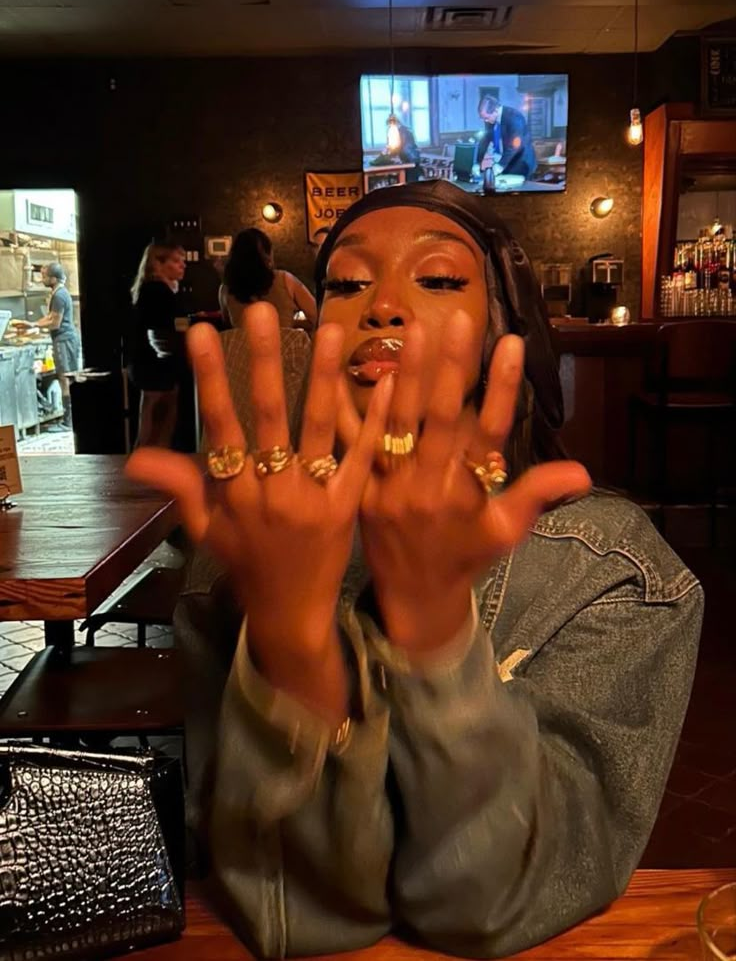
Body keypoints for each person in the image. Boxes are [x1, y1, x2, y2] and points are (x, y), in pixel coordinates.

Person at [127, 180, 702, 959]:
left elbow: (488, 904)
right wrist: (291, 631)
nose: (384, 306)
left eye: (436, 279)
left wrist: (434, 631)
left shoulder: (616, 574)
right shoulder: (245, 555)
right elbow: (295, 913)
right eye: (348, 284)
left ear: (509, 325)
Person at [128, 241, 187, 448]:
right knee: (158, 422)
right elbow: (167, 327)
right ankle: (146, 468)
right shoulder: (157, 291)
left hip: (147, 362)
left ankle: (148, 467)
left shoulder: (149, 289)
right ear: (158, 264)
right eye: (176, 261)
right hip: (155, 363)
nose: (182, 266)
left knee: (154, 418)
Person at [219, 228, 317, 330]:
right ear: (267, 255)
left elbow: (228, 327)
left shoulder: (225, 290)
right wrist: (290, 323)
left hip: (243, 345)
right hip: (283, 344)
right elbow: (315, 317)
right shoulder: (285, 279)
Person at [36, 262, 82, 432]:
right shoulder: (58, 293)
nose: (42, 280)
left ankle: (68, 422)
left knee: (66, 380)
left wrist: (36, 327)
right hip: (64, 340)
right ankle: (70, 419)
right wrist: (32, 325)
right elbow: (50, 317)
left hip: (64, 340)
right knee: (67, 379)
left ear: (53, 278)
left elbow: (55, 323)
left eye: (44, 276)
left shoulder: (59, 296)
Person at [477, 94, 537, 180]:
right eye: (483, 118)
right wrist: (478, 162)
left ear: (496, 110)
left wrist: (500, 165)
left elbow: (515, 145)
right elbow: (485, 140)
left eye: (486, 118)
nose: (485, 121)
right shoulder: (490, 120)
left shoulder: (514, 117)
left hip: (522, 163)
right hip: (507, 162)